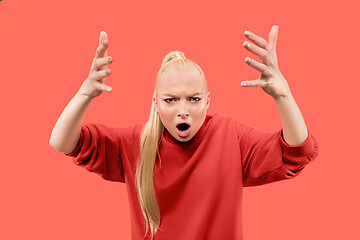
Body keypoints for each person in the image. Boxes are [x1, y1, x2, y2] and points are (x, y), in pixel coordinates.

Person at [49, 25, 319, 240]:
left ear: (208, 101)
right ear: (155, 102)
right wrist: (85, 93)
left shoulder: (230, 135)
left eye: (193, 99)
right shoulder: (135, 143)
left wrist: (283, 94)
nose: (183, 111)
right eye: (170, 100)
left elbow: (296, 152)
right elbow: (62, 141)